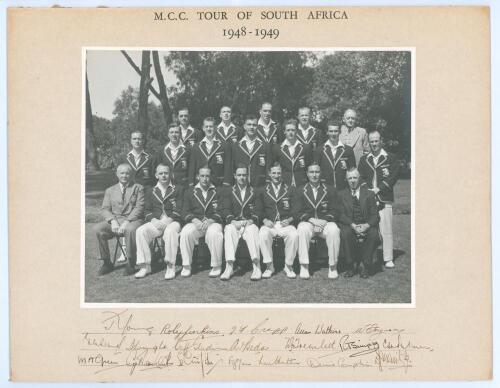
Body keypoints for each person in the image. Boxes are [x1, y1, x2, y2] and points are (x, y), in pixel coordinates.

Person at [358, 130, 400, 269]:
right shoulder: (365, 159)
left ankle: (388, 258)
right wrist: (369, 192)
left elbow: (393, 176)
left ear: (381, 141)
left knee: (386, 230)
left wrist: (379, 189)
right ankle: (371, 256)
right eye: (372, 141)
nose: (374, 144)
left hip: (384, 199)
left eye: (376, 141)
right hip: (369, 200)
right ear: (368, 142)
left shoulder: (391, 157)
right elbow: (361, 178)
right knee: (371, 230)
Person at [134, 164, 184, 279]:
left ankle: (170, 266)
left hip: (173, 221)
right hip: (157, 222)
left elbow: (180, 208)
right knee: (141, 231)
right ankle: (145, 266)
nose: (164, 176)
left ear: (170, 174)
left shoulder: (178, 189)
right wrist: (153, 220)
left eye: (166, 173)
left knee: (171, 231)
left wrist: (169, 220)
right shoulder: (151, 190)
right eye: (161, 173)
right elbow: (146, 210)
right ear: (156, 175)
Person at [94, 164, 144, 276]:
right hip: (116, 220)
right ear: (117, 174)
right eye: (122, 173)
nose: (125, 175)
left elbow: (139, 208)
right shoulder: (110, 190)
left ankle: (131, 262)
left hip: (133, 220)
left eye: (127, 173)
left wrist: (126, 222)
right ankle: (107, 262)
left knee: (130, 230)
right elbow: (105, 209)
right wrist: (112, 221)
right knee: (98, 229)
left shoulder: (138, 188)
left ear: (131, 175)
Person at [294, 164, 341, 280]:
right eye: (311, 172)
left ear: (321, 173)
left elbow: (335, 210)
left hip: (325, 222)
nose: (314, 175)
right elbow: (297, 211)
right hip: (308, 222)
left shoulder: (330, 189)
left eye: (317, 172)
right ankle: (304, 265)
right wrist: (312, 220)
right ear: (307, 173)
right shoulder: (300, 190)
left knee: (334, 230)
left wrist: (323, 221)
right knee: (302, 229)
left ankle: (333, 266)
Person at [256, 162, 299, 279]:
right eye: (274, 173)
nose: (276, 175)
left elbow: (297, 209)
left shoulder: (291, 189)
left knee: (294, 235)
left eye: (279, 173)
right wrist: (264, 220)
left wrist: (290, 220)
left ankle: (288, 265)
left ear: (282, 174)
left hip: (285, 223)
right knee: (263, 234)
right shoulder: (262, 190)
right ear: (269, 174)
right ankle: (269, 266)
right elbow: (258, 209)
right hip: (270, 224)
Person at [179, 166, 224, 277]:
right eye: (202, 176)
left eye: (207, 176)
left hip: (213, 222)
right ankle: (186, 265)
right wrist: (194, 220)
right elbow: (184, 211)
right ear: (197, 177)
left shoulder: (218, 191)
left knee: (214, 233)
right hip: (196, 223)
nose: (205, 179)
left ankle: (216, 265)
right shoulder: (190, 192)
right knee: (186, 232)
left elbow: (223, 210)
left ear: (211, 177)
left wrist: (211, 220)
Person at [221, 165, 261, 281]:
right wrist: (232, 221)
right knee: (229, 229)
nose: (242, 177)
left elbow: (259, 209)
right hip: (235, 223)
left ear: (248, 176)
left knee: (253, 230)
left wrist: (251, 220)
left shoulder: (255, 191)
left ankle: (256, 265)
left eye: (244, 175)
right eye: (239, 175)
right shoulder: (229, 191)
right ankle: (229, 266)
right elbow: (226, 210)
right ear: (235, 176)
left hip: (249, 223)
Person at [338, 168, 380, 278]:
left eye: (355, 178)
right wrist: (353, 225)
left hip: (365, 224)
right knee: (345, 233)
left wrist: (366, 225)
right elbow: (341, 215)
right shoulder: (341, 194)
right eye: (350, 178)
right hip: (350, 225)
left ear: (359, 178)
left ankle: (365, 266)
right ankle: (350, 265)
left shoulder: (369, 194)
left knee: (373, 234)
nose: (352, 180)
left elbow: (375, 216)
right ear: (346, 180)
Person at [188, 117, 232, 187]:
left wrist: (226, 183)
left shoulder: (225, 145)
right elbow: (192, 167)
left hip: (218, 183)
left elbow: (228, 166)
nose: (208, 129)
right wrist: (191, 183)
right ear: (203, 128)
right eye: (206, 126)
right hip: (200, 184)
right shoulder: (196, 146)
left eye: (211, 126)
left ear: (215, 128)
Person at [230, 114, 272, 187]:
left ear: (258, 127)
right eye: (249, 125)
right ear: (244, 126)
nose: (251, 127)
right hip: (241, 186)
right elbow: (232, 167)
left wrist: (268, 182)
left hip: (259, 185)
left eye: (254, 125)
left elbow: (268, 167)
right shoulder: (236, 146)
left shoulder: (265, 145)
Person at [314, 120, 356, 190]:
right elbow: (316, 171)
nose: (333, 134)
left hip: (343, 189)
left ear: (340, 132)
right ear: (327, 132)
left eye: (335, 131)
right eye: (331, 131)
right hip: (325, 189)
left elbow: (353, 171)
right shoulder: (319, 150)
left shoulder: (348, 150)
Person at [271, 118, 312, 188]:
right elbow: (273, 166)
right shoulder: (277, 148)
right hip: (284, 184)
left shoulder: (305, 147)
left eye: (293, 130)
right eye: (288, 130)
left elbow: (309, 166)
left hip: (302, 184)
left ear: (297, 131)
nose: (290, 132)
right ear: (284, 131)